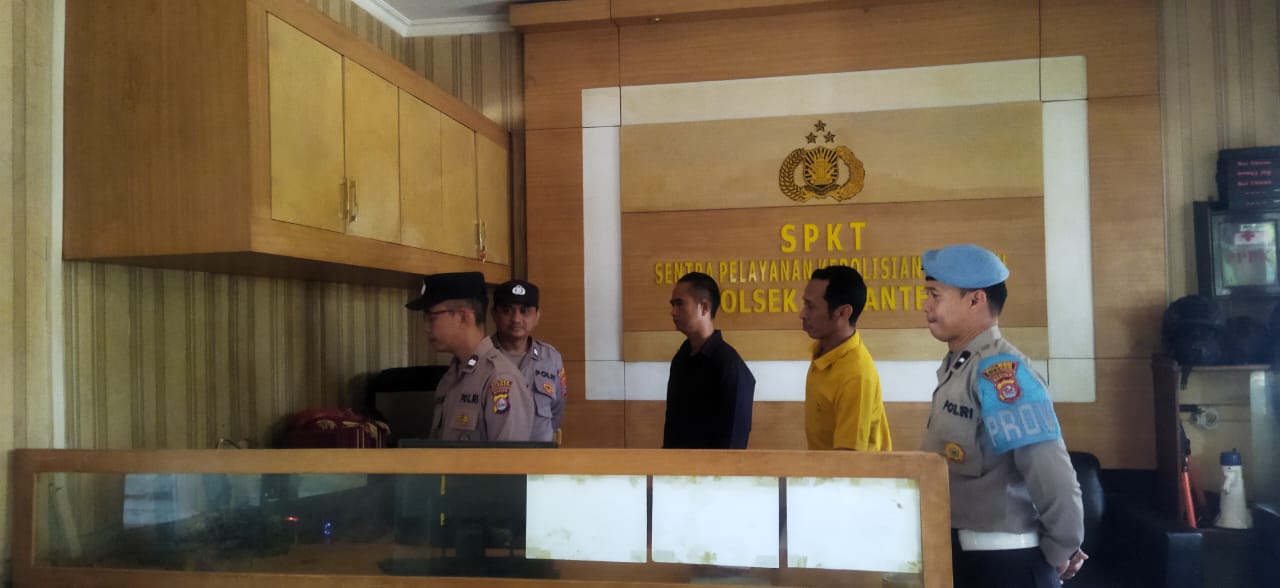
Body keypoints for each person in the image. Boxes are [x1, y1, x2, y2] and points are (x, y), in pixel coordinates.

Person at [919, 244, 1087, 587]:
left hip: (1003, 565)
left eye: (935, 295)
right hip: (963, 559)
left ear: (975, 300)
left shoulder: (1000, 372)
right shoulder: (960, 367)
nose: (926, 305)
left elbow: (1049, 469)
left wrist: (1062, 548)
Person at [406, 271, 534, 442]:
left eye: (431, 317)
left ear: (463, 317)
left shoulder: (500, 379)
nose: (426, 327)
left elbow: (507, 458)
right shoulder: (451, 377)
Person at [800, 265, 892, 451]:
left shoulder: (856, 375)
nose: (802, 314)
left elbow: (848, 458)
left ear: (843, 313)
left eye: (810, 306)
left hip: (850, 469)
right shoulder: (823, 351)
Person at [662, 272, 756, 449]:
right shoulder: (681, 359)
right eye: (673, 305)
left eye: (680, 304)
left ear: (704, 308)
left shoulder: (730, 366)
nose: (673, 312)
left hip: (714, 467)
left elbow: (733, 443)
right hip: (675, 465)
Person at [489, 279, 567, 445]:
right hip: (496, 457)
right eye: (507, 310)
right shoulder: (483, 356)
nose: (516, 319)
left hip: (540, 457)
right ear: (494, 314)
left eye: (525, 311)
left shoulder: (550, 358)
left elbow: (556, 410)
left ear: (537, 316)